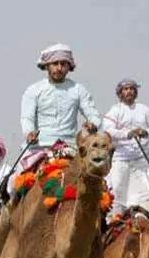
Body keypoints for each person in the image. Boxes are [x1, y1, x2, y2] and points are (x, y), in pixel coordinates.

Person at [7, 43, 102, 200]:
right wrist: (29, 132)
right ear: (46, 66)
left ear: (69, 66)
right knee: (14, 187)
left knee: (97, 189)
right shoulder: (34, 90)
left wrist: (93, 124)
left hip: (69, 147)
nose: (59, 68)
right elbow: (27, 118)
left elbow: (94, 114)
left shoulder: (78, 89)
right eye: (55, 64)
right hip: (39, 148)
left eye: (63, 64)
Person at [103, 78, 149, 218]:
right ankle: (114, 225)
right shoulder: (115, 110)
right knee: (116, 191)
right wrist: (127, 134)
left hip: (142, 158)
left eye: (131, 89)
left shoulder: (144, 109)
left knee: (147, 192)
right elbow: (108, 130)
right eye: (126, 89)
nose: (129, 91)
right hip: (121, 158)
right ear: (120, 93)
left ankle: (144, 224)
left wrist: (146, 132)